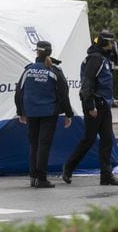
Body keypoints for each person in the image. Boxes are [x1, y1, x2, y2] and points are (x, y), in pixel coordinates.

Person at [62, 31, 118, 186]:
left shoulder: (103, 59)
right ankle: (68, 167)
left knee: (107, 141)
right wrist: (90, 105)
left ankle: (106, 176)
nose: (113, 45)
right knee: (89, 139)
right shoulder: (95, 59)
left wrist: (111, 100)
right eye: (111, 42)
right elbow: (87, 84)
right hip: (94, 105)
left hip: (103, 105)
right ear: (104, 43)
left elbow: (103, 83)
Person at [15, 41, 73, 188]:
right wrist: (68, 114)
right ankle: (41, 178)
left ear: (37, 52)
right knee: (44, 145)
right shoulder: (54, 71)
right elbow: (63, 94)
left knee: (34, 144)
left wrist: (20, 112)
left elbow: (18, 92)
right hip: (48, 112)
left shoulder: (28, 70)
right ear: (50, 53)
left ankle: (33, 177)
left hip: (31, 112)